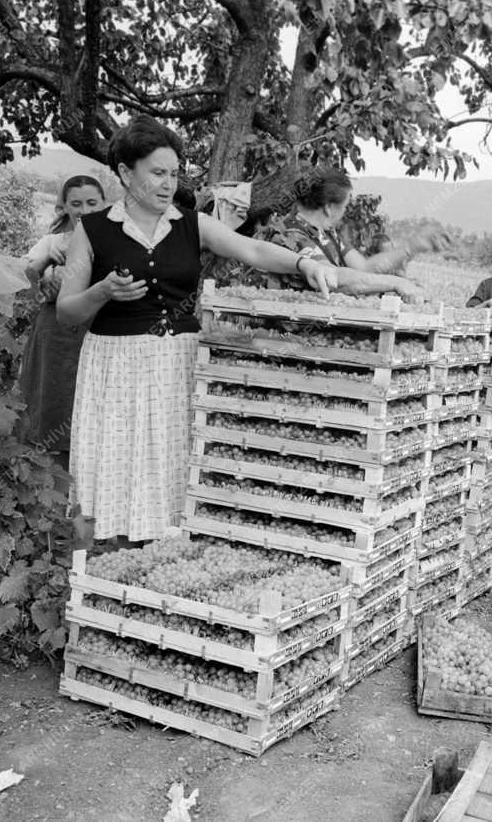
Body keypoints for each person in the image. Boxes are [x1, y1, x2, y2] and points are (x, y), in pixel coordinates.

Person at [55, 116, 390, 544]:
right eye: (157, 173)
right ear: (124, 172)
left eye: (174, 174)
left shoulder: (191, 224)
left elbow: (252, 249)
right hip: (117, 366)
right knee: (118, 467)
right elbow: (67, 312)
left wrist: (305, 263)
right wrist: (101, 291)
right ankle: (101, 565)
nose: (167, 184)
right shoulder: (93, 230)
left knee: (176, 470)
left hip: (178, 365)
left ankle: (162, 566)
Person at [19, 175, 106, 456]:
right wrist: (47, 260)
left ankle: (86, 464)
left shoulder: (115, 240)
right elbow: (20, 280)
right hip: (54, 335)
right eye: (76, 203)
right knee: (51, 394)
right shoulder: (53, 241)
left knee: (91, 397)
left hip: (98, 330)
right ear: (64, 206)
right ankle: (42, 466)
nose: (84, 210)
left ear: (104, 204)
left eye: (92, 203)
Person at [276, 167, 447, 293]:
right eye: (345, 205)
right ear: (329, 207)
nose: (344, 212)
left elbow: (364, 268)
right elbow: (334, 278)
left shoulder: (328, 234)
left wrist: (411, 247)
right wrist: (394, 283)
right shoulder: (294, 234)